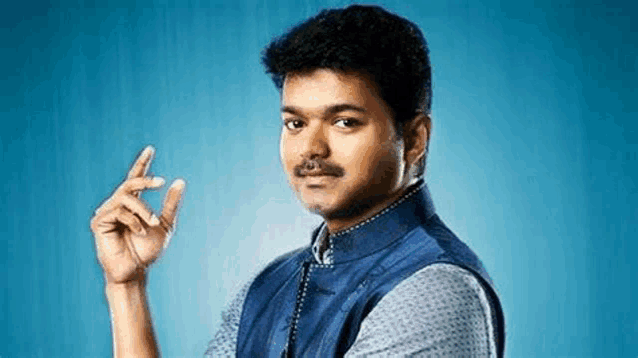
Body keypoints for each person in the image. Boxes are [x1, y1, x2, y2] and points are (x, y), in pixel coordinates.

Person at [91, 4, 504, 357]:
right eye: (295, 122)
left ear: (414, 139)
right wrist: (127, 285)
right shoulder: (270, 285)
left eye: (344, 122)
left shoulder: (437, 289)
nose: (311, 149)